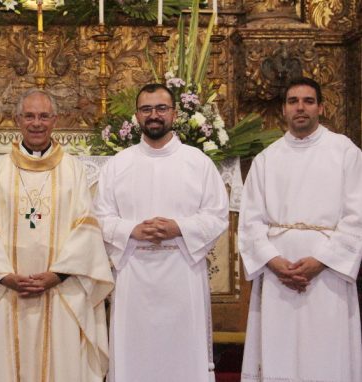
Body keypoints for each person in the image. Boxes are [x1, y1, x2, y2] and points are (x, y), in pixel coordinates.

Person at [0, 89, 114, 382]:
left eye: (44, 116)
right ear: (17, 119)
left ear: (55, 120)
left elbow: (86, 227)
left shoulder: (74, 170)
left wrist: (57, 274)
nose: (36, 123)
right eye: (29, 116)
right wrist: (5, 276)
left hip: (62, 291)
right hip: (7, 290)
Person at [94, 83, 229, 382]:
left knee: (182, 355)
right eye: (146, 109)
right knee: (134, 354)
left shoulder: (198, 163)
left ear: (175, 113)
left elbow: (217, 215)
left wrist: (177, 227)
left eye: (161, 108)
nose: (154, 115)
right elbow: (100, 217)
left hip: (182, 272)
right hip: (134, 274)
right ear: (137, 116)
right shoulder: (118, 165)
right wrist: (133, 230)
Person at [239, 77, 362, 381]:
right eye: (293, 101)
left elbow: (356, 215)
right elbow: (250, 220)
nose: (300, 107)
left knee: (326, 351)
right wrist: (275, 262)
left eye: (308, 101)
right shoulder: (267, 159)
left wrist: (320, 261)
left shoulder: (345, 152)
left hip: (328, 272)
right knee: (279, 352)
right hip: (278, 271)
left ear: (321, 107)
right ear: (284, 110)